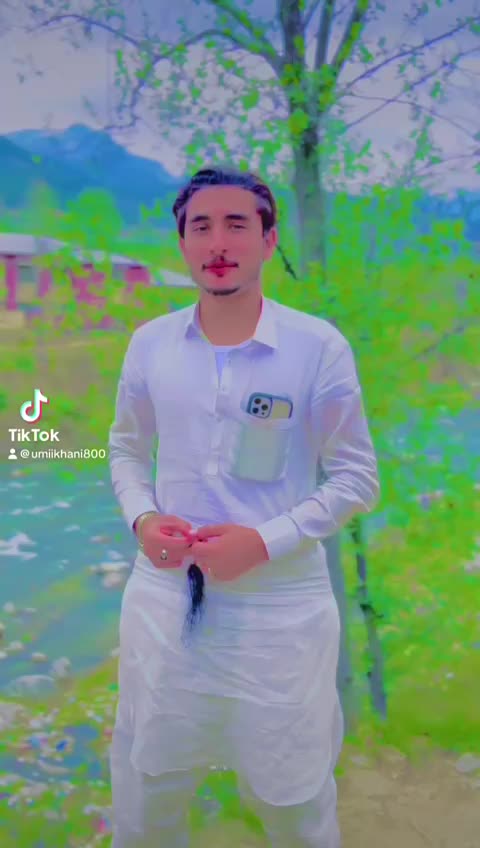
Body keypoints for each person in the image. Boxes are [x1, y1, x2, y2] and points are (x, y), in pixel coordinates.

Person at [108, 165, 380, 847]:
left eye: (237, 224)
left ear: (268, 238)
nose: (219, 242)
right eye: (201, 226)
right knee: (149, 788)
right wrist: (143, 517)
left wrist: (264, 541)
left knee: (293, 797)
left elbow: (356, 477)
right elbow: (126, 448)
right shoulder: (151, 344)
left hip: (279, 608)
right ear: (182, 242)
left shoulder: (316, 348)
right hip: (165, 597)